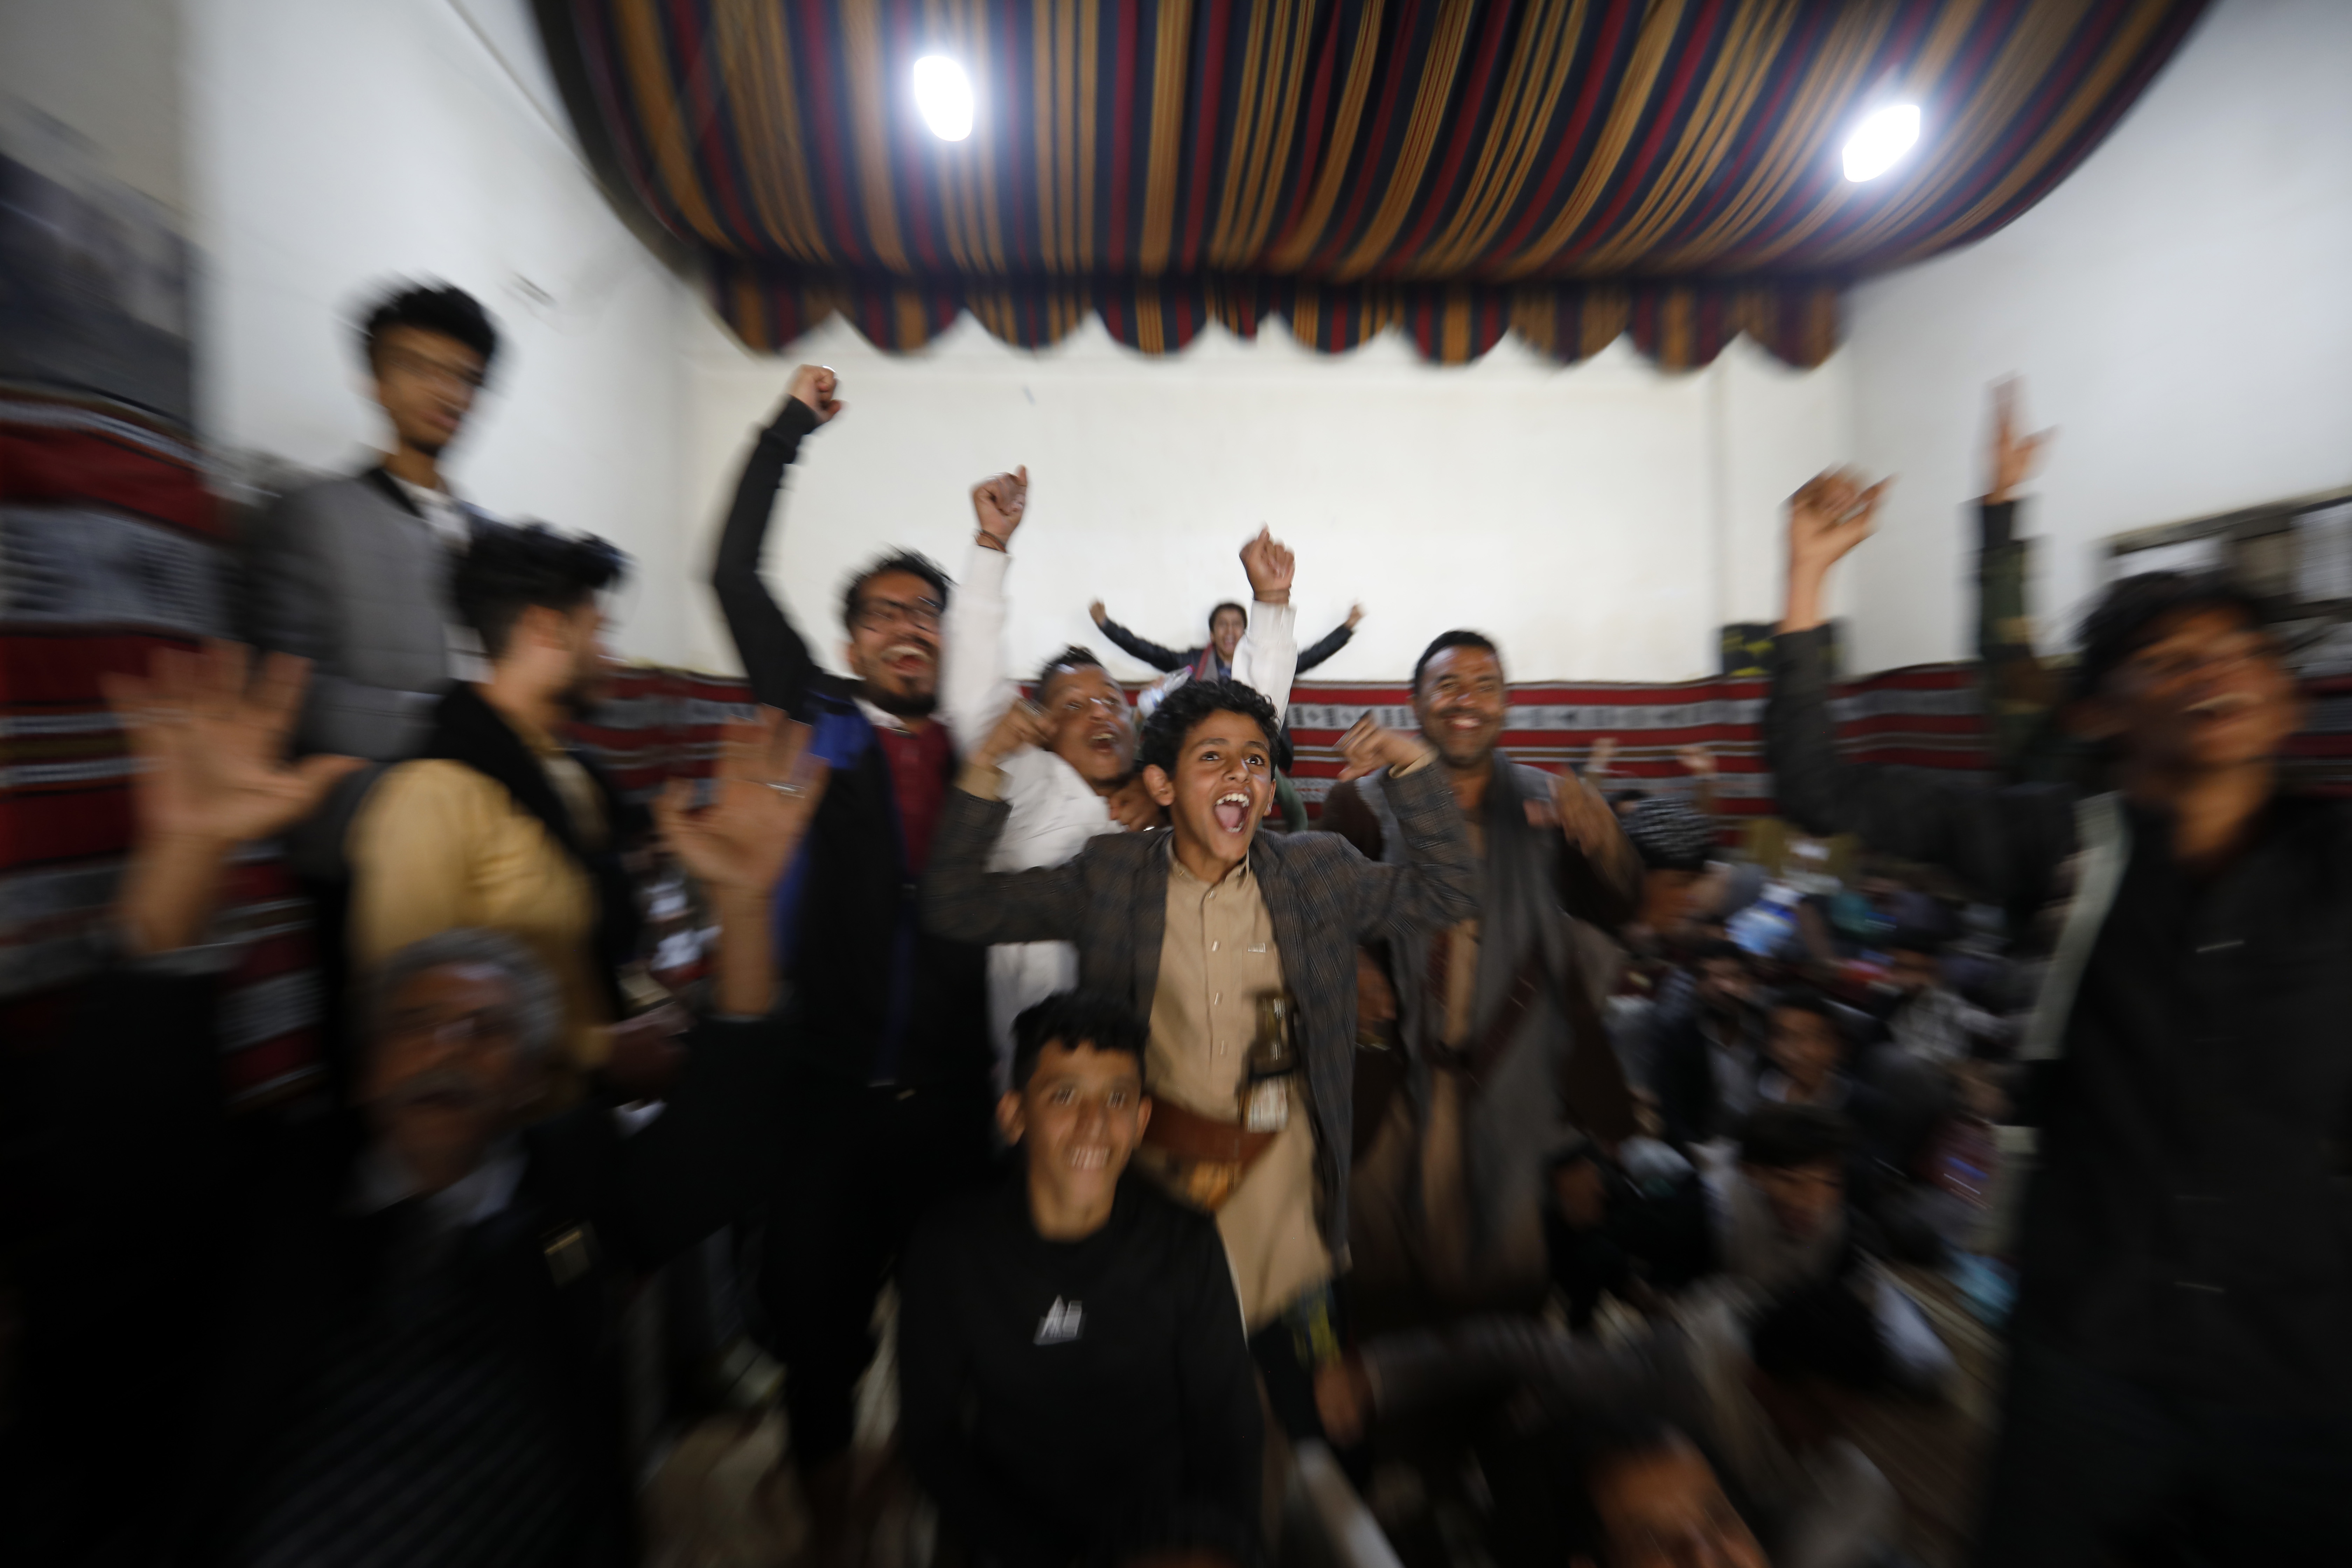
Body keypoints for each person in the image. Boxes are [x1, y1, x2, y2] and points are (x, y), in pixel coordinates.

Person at [11, 643, 827, 1565]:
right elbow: (127, 1145)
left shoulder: (567, 1195)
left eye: (488, 1029)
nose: (449, 1047)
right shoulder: (275, 1199)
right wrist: (188, 849)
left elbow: (724, 1143)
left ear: (529, 1081)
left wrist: (744, 907)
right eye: (417, 1022)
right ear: (366, 1066)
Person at [1766, 384, 2352, 1562]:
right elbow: (1835, 781)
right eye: (2170, 662)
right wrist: (1809, 579)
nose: (2211, 676)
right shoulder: (2067, 846)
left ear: (2286, 692)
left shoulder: (2332, 870)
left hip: (2300, 1383)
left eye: (2238, 652)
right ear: (2106, 717)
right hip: (2092, 1368)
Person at [922, 677, 1478, 1434]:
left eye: (1255, 761)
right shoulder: (1112, 875)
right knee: (1168, 1422)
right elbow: (955, 905)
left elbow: (1449, 892)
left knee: (1315, 1419)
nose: (1238, 775)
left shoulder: (1318, 871)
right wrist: (986, 762)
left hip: (1289, 1225)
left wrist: (1413, 767)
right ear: (1162, 784)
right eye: (1212, 757)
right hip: (1155, 1220)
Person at [707, 364, 998, 1515]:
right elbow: (731, 574)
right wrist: (787, 431)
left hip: (954, 1100)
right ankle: (828, 1518)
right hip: (824, 1097)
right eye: (884, 613)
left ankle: (924, 1488)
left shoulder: (977, 739)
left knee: (953, 1323)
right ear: (850, 638)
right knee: (819, 1331)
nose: (908, 629)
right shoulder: (813, 714)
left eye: (925, 614)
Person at [1319, 629, 1642, 1328]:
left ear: (1506, 705)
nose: (1466, 700)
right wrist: (1357, 962)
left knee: (1503, 1279)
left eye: (1484, 686)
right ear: (1417, 703)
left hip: (1515, 1075)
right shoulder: (1361, 803)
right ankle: (1384, 1388)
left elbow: (1617, 908)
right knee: (1382, 1273)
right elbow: (1321, 915)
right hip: (1394, 1079)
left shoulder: (1552, 803)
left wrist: (1608, 840)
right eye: (1448, 685)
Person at [943, 465, 1300, 1088]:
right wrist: (992, 547)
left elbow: (1240, 734)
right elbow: (972, 695)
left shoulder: (1167, 804)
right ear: (1041, 729)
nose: (1101, 714)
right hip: (1045, 1081)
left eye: (1111, 701)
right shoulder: (1026, 782)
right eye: (1074, 706)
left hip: (1165, 1078)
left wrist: (1270, 606)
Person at [898, 991, 1261, 1568]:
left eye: (1117, 1098)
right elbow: (930, 1439)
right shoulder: (951, 1251)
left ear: (1141, 1120)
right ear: (1014, 1116)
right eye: (1065, 1096)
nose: (1095, 1125)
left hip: (1163, 1542)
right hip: (1019, 1546)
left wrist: (1220, 1548)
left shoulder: (1185, 1245)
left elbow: (1228, 1430)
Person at [348, 522, 647, 1101]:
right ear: (547, 629)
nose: (611, 656)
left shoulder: (569, 774)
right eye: (599, 632)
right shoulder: (433, 796)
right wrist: (600, 1050)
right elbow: (409, 1009)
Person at [1319, 1279, 1900, 1568]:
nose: (1707, 1559)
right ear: (1761, 1383)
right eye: (1658, 1542)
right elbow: (1520, 1349)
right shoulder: (1667, 1381)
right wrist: (1376, 1375)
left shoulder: (1839, 1476)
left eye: (1721, 1519)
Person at [245, 281, 500, 768]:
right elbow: (290, 693)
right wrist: (468, 731)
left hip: (497, 788)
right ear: (377, 382)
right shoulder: (310, 514)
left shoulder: (494, 538)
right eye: (417, 368)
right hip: (378, 790)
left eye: (464, 376)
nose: (445, 392)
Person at [1650, 940, 1763, 1152]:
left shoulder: (1768, 1031)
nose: (1720, 987)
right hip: (1708, 1149)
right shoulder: (1680, 1038)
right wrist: (1699, 1153)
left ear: (1750, 982)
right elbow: (1672, 1113)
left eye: (1732, 976)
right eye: (1706, 977)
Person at [1090, 596, 1360, 684]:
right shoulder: (1191, 662)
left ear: (1246, 632)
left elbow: (1309, 658)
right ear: (1212, 634)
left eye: (1236, 625)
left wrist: (1346, 628)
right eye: (1223, 625)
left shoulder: (1264, 662)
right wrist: (1106, 625)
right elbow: (1147, 651)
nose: (1230, 632)